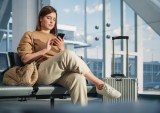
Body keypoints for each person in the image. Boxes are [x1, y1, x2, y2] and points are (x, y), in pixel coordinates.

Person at [17, 5, 121, 106]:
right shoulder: (30, 35)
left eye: (54, 19)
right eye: (48, 18)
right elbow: (25, 59)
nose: (52, 21)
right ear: (40, 18)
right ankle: (99, 83)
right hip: (40, 73)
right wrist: (45, 50)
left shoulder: (55, 38)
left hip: (59, 74)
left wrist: (61, 48)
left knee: (78, 78)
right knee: (67, 54)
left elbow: (64, 59)